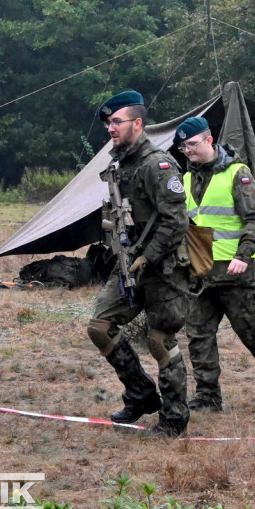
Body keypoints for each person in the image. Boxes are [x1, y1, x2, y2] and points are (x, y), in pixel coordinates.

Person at [174, 116, 255, 412]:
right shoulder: (187, 179)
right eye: (183, 147)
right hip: (202, 273)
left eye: (192, 144)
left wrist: (243, 256)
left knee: (251, 333)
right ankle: (207, 396)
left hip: (237, 273)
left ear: (209, 140)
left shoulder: (236, 173)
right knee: (198, 336)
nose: (188, 151)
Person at [87, 90, 191, 437]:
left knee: (161, 340)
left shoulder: (157, 164)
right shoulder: (120, 162)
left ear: (138, 123)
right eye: (108, 122)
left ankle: (174, 419)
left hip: (162, 268)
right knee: (100, 327)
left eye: (117, 121)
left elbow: (177, 221)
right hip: (129, 264)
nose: (110, 128)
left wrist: (149, 256)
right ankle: (141, 394)